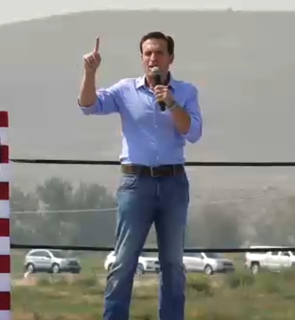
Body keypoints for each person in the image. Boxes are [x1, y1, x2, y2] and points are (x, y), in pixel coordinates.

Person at [76, 31, 203, 320]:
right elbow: (88, 105)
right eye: (147, 53)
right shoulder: (125, 90)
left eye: (159, 53)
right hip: (136, 184)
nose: (152, 58)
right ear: (141, 58)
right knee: (123, 262)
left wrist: (171, 102)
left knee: (172, 265)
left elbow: (193, 132)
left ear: (170, 58)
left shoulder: (186, 92)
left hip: (173, 184)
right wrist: (89, 72)